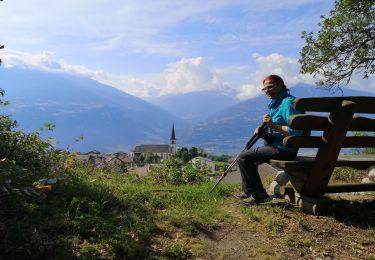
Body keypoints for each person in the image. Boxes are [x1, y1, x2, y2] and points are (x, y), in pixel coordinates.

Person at [236, 75, 302, 204]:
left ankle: (259, 195)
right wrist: (264, 131)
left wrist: (272, 126)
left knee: (244, 157)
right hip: (281, 146)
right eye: (264, 89)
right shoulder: (276, 103)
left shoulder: (287, 103)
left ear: (281, 85)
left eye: (270, 87)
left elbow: (296, 131)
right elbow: (279, 130)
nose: (267, 91)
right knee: (246, 158)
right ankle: (249, 191)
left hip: (285, 149)